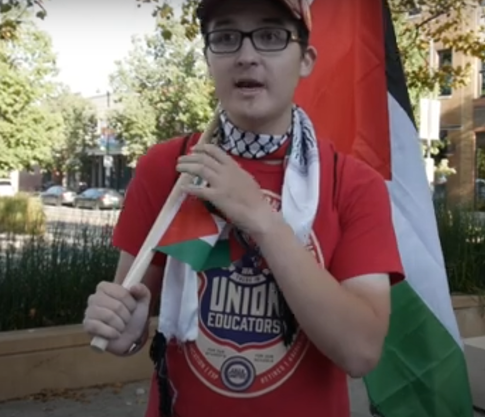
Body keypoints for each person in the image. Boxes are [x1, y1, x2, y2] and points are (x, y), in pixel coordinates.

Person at [82, 0, 403, 416]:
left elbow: (360, 352)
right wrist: (124, 330)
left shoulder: (352, 183)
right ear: (208, 58)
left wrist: (261, 218)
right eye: (226, 37)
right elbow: (130, 318)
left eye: (270, 36)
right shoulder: (171, 169)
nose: (246, 55)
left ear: (306, 60)